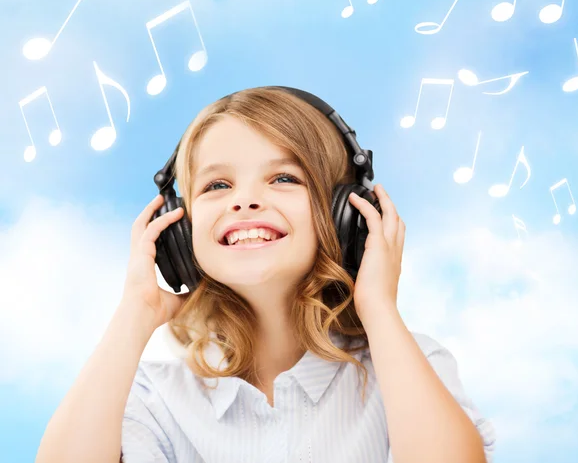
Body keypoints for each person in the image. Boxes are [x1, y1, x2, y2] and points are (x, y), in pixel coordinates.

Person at [35, 86, 496, 463]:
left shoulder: (408, 368)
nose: (245, 200)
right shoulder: (154, 398)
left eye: (284, 179)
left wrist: (377, 306)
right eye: (217, 185)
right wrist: (136, 313)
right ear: (180, 227)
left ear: (347, 215)